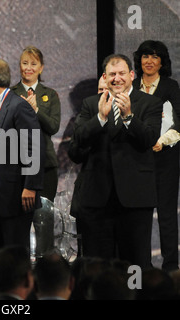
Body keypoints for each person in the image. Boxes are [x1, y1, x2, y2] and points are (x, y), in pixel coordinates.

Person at [69, 54, 163, 270]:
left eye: (122, 73)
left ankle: (136, 295)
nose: (117, 78)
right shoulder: (91, 104)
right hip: (97, 199)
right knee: (97, 266)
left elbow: (149, 138)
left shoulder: (150, 103)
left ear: (131, 75)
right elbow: (77, 145)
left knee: (136, 264)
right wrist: (100, 119)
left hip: (135, 200)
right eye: (112, 74)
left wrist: (129, 116)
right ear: (105, 77)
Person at [0, 58, 44, 264]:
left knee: (14, 255)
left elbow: (34, 147)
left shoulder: (18, 106)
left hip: (16, 196)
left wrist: (31, 186)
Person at [133, 40, 180, 272]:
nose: (149, 61)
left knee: (167, 216)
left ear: (162, 62)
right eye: (145, 56)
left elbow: (179, 123)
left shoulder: (171, 87)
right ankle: (142, 267)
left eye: (154, 57)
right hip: (138, 162)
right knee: (139, 218)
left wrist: (162, 141)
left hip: (166, 161)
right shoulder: (131, 87)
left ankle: (171, 268)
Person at [11, 46, 61, 201]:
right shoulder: (10, 94)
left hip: (46, 164)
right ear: (20, 66)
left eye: (33, 64)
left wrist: (36, 110)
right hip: (17, 163)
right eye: (25, 63)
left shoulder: (50, 95)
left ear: (41, 68)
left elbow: (53, 126)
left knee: (44, 218)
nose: (29, 68)